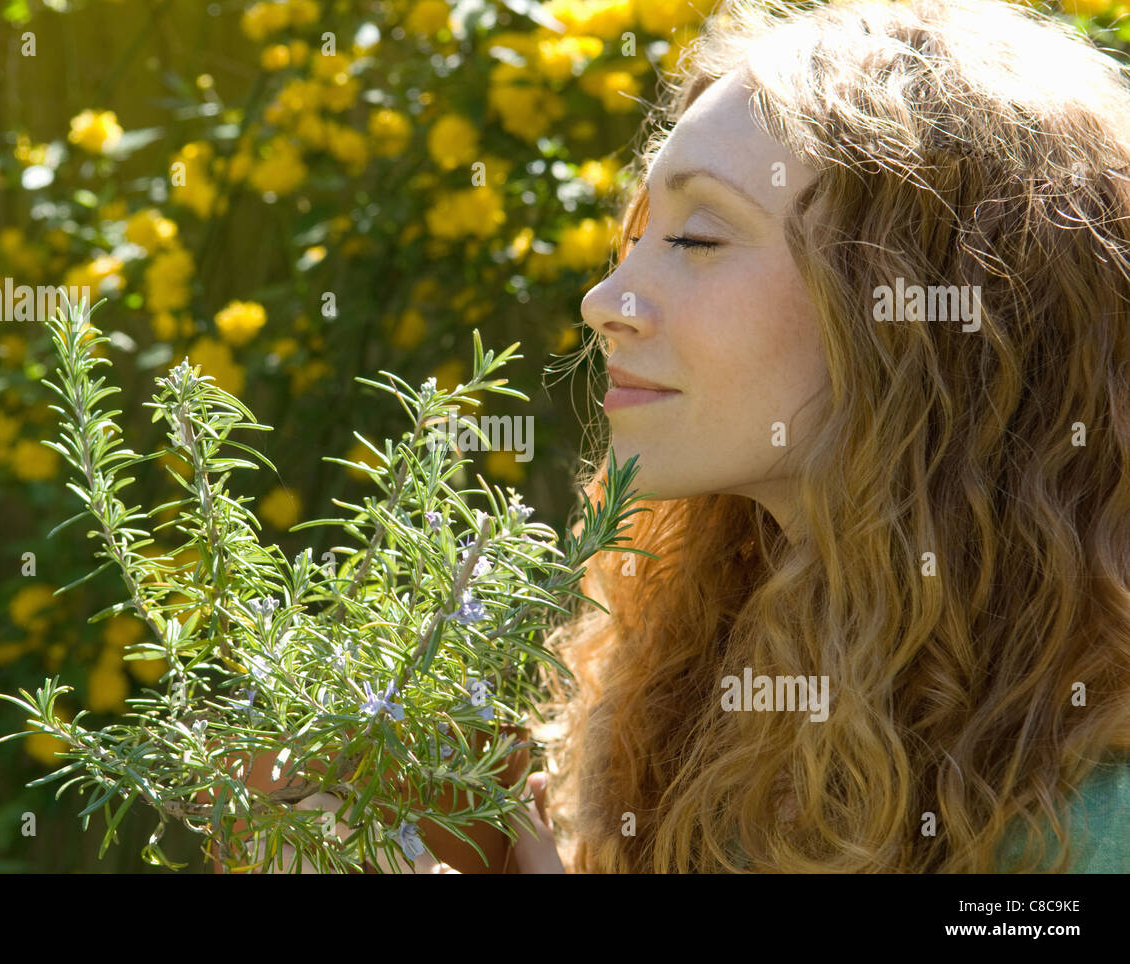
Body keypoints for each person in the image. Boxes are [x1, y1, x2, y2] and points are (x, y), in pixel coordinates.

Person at [224, 0, 1130, 872]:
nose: (603, 304)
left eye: (696, 238)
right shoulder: (709, 688)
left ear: (915, 307)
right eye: (638, 233)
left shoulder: (1098, 807)